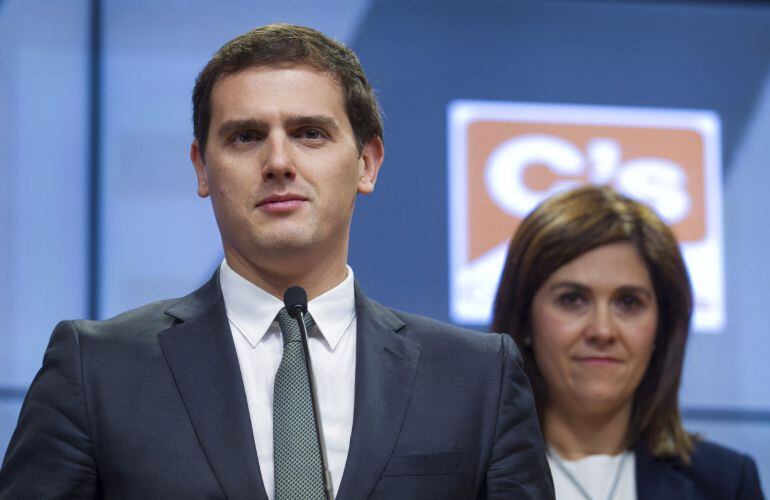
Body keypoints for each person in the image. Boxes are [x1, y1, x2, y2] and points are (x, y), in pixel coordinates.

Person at [0, 24, 554, 499]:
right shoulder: (95, 369)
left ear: (367, 162)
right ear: (201, 167)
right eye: (245, 137)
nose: (279, 162)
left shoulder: (476, 377)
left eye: (310, 133)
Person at [491, 184, 764, 500]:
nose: (602, 330)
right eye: (572, 299)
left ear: (661, 327)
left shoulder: (725, 484)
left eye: (629, 302)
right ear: (525, 319)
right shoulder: (465, 481)